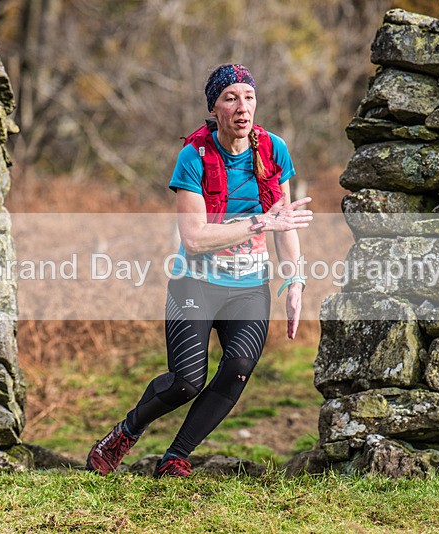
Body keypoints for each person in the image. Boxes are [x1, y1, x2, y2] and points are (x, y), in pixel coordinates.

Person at [87, 64, 313, 478]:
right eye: (231, 97)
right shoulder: (194, 156)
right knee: (186, 381)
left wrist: (295, 281)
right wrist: (260, 222)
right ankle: (125, 432)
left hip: (249, 285)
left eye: (248, 96)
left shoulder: (273, 149)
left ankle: (175, 457)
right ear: (214, 107)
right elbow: (194, 237)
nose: (242, 107)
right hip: (195, 280)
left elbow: (286, 222)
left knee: (238, 368)